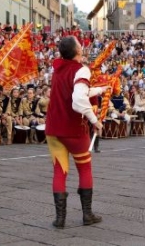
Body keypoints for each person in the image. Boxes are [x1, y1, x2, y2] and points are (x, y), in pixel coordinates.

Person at [45, 36, 107, 229]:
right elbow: (78, 100)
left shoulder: (57, 70)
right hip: (73, 130)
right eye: (80, 45)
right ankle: (87, 215)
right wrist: (95, 121)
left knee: (59, 171)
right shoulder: (81, 69)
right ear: (77, 51)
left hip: (54, 129)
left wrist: (99, 90)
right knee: (84, 169)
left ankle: (60, 218)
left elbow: (75, 92)